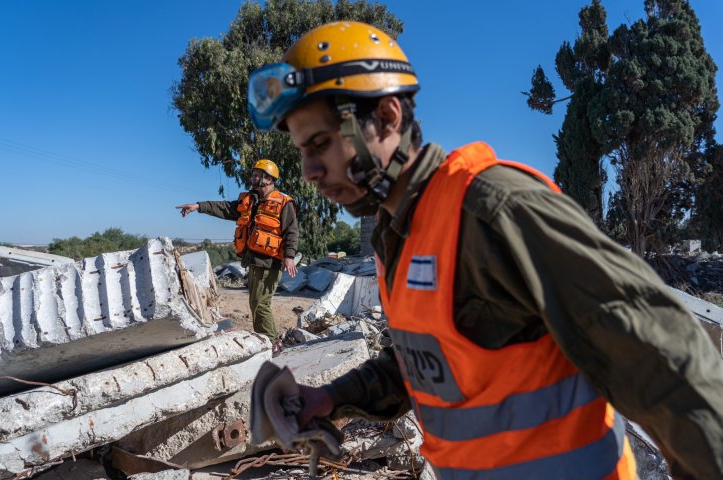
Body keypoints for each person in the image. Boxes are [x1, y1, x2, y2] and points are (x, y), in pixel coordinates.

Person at [246, 21, 723, 478]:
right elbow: (429, 364)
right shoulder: (397, 235)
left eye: (321, 143)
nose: (308, 170)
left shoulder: (493, 209)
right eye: (303, 151)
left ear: (388, 116)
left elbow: (666, 353)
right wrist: (331, 398)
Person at [176, 159, 298, 355]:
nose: (253, 178)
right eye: (253, 175)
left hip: (271, 262)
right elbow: (224, 208)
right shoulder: (251, 201)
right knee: (256, 303)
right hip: (255, 261)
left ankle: (273, 343)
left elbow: (291, 231)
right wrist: (199, 206)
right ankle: (267, 341)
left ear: (268, 179)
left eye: (257, 175)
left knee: (260, 304)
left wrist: (289, 256)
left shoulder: (284, 203)